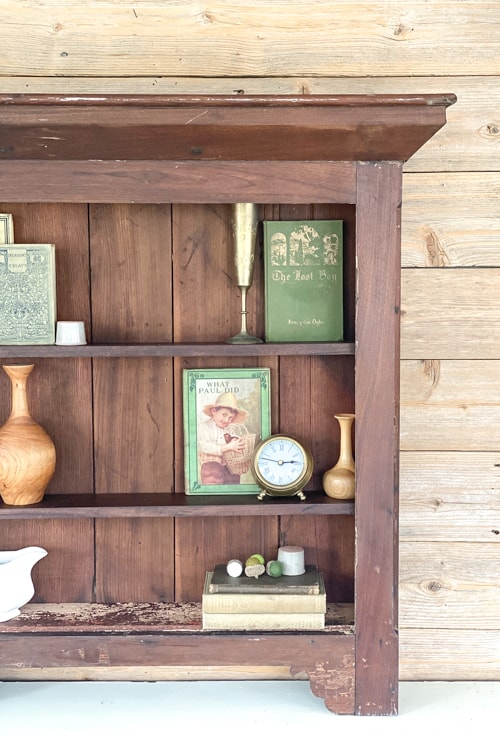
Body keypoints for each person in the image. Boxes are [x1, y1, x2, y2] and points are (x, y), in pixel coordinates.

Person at [197, 392, 249, 485]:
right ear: (214, 411)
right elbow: (205, 447)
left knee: (234, 479)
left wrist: (242, 462)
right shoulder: (204, 426)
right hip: (211, 465)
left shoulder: (229, 430)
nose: (226, 420)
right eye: (224, 415)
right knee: (213, 481)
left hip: (228, 466)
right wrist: (227, 447)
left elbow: (235, 448)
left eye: (230, 418)